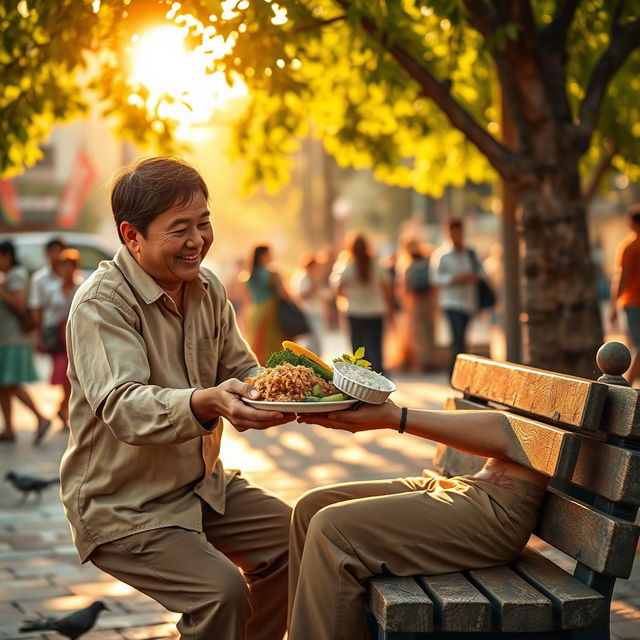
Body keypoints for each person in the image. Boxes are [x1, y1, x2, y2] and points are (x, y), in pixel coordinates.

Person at [59, 157, 292, 640]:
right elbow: (123, 405)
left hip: (203, 486)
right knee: (220, 592)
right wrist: (208, 402)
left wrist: (288, 388)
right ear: (132, 236)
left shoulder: (207, 288)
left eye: (204, 223)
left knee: (299, 539)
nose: (197, 241)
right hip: (124, 505)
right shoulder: (101, 304)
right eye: (179, 228)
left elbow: (242, 369)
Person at [288, 402, 548, 640]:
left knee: (332, 531)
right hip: (472, 483)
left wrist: (394, 417)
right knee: (310, 508)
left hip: (498, 510)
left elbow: (514, 437)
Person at [0, 240, 51, 443]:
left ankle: (40, 417)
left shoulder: (16, 275)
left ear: (7, 256)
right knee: (3, 385)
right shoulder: (13, 275)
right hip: (8, 338)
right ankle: (9, 428)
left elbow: (19, 304)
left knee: (10, 383)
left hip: (14, 338)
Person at [330, 232, 395, 373]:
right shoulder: (377, 265)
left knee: (358, 348)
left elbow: (338, 289)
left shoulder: (347, 266)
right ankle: (379, 372)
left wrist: (352, 296)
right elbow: (387, 288)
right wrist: (389, 308)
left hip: (355, 311)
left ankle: (360, 376)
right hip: (376, 310)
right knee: (376, 346)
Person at [431, 218, 486, 374]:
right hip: (451, 302)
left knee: (462, 339)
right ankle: (455, 373)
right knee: (458, 339)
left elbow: (482, 273)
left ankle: (459, 372)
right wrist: (454, 280)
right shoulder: (442, 255)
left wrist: (473, 277)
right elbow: (435, 278)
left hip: (468, 301)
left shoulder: (471, 253)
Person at [38, 248, 83, 430]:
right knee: (63, 374)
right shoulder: (52, 289)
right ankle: (63, 410)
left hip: (75, 336)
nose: (67, 270)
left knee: (74, 376)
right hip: (57, 337)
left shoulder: (82, 286)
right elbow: (43, 311)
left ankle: (63, 408)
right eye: (64, 266)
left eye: (70, 266)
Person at [610, 204, 640, 386]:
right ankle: (629, 387)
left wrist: (614, 306)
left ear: (631, 223)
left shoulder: (629, 246)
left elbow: (622, 277)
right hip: (633, 303)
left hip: (632, 302)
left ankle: (628, 387)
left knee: (637, 346)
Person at [244, 244, 289, 365]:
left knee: (257, 344)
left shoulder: (249, 275)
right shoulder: (272, 274)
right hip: (270, 313)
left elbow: (246, 298)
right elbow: (283, 294)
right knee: (272, 344)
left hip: (255, 313)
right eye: (269, 254)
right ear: (262, 256)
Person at [397, 237, 436, 372]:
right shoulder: (427, 262)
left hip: (415, 303)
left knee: (417, 335)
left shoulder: (409, 265)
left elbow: (405, 288)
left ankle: (419, 365)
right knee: (429, 333)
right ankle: (429, 361)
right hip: (427, 301)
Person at [291, 252, 327, 356]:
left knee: (318, 341)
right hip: (308, 313)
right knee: (312, 342)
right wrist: (314, 286)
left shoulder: (315, 277)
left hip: (318, 313)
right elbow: (300, 296)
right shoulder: (304, 278)